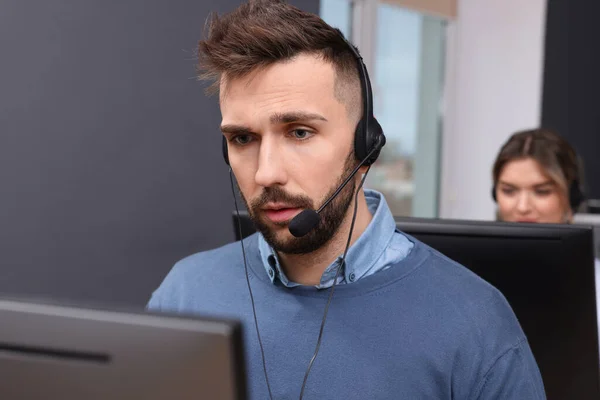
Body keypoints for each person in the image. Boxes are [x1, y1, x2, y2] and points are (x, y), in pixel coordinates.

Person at [147, 1, 546, 398]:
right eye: (243, 138)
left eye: (299, 132)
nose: (266, 173)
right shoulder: (185, 294)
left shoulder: (476, 323)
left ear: (365, 146)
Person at [492, 127, 600, 349]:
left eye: (542, 191)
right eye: (509, 191)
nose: (522, 207)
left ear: (572, 197)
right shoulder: (466, 279)